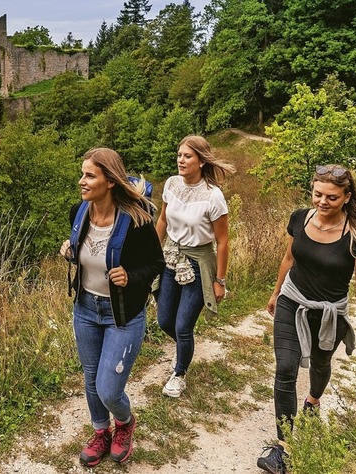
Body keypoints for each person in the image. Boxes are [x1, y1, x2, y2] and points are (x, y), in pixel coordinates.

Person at [256, 164, 356, 474]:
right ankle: (282, 448)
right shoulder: (300, 218)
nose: (322, 202)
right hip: (292, 300)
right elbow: (289, 258)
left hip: (329, 313)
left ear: (347, 196)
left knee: (321, 366)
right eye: (317, 194)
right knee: (285, 367)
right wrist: (275, 293)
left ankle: (313, 400)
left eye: (332, 197)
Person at [59, 148, 165, 467]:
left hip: (123, 315)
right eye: (82, 174)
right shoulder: (79, 212)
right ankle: (100, 432)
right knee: (91, 379)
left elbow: (157, 264)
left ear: (110, 181)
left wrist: (131, 277)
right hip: (86, 309)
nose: (82, 181)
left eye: (89, 175)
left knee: (107, 389)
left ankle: (125, 423)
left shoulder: (137, 220)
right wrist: (70, 251)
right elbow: (83, 252)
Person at [155, 135, 235, 398]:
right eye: (179, 155)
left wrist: (219, 281)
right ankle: (185, 349)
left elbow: (222, 241)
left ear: (201, 161)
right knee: (165, 320)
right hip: (171, 257)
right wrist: (153, 255)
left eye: (187, 156)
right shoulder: (172, 184)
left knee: (182, 326)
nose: (181, 160)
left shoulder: (213, 196)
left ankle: (179, 373)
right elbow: (163, 221)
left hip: (199, 263)